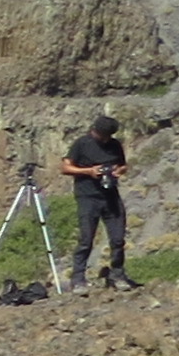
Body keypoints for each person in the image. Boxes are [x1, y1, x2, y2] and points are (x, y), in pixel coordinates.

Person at [61, 113, 132, 289]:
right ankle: (78, 279)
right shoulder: (82, 143)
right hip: (88, 196)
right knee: (86, 238)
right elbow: (65, 167)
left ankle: (117, 274)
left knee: (117, 238)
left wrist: (118, 171)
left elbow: (123, 165)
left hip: (110, 195)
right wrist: (89, 171)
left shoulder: (114, 145)